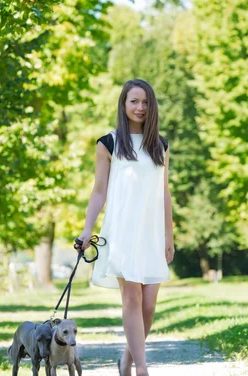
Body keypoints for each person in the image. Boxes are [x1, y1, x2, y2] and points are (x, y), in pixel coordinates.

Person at [76, 79, 175, 376]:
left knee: (148, 305)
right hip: (120, 232)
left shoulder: (161, 145)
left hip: (151, 233)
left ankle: (127, 359)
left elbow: (164, 193)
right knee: (131, 299)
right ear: (123, 104)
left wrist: (169, 236)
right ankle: (142, 368)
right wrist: (86, 230)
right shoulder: (108, 143)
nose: (140, 107)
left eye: (145, 102)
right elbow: (99, 191)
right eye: (134, 101)